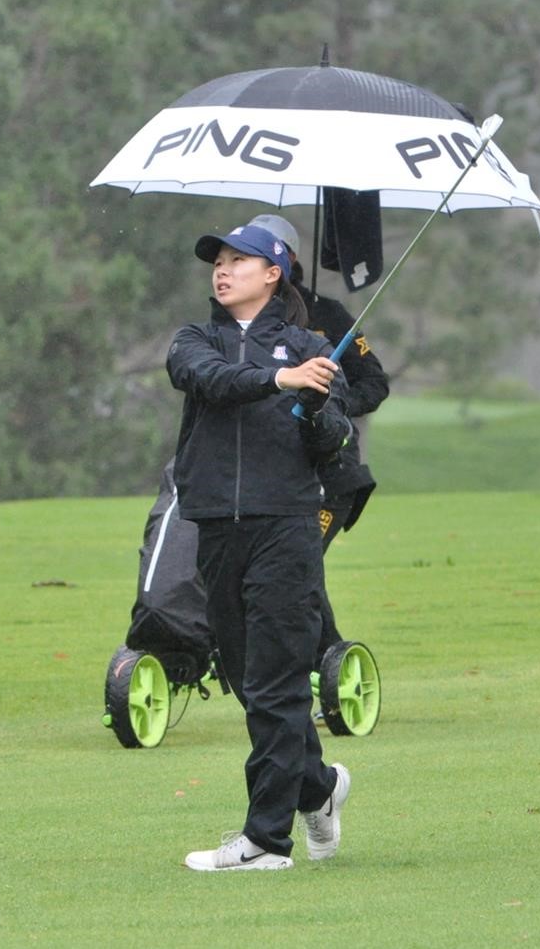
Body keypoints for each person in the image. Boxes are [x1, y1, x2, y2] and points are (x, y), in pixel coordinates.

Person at [168, 222, 356, 872]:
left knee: (277, 682)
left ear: (274, 272)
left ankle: (265, 841)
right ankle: (319, 787)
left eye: (238, 260)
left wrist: (320, 408)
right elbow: (209, 379)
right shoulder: (197, 340)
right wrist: (281, 384)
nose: (222, 270)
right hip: (218, 523)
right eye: (217, 261)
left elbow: (334, 443)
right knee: (252, 679)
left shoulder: (311, 348)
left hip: (287, 527)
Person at [245, 213, 387, 653]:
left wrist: (329, 404)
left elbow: (374, 383)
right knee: (274, 576)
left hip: (331, 475)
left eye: (251, 256)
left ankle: (326, 667)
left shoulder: (329, 316)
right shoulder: (238, 326)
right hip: (266, 477)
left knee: (295, 573)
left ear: (283, 261)